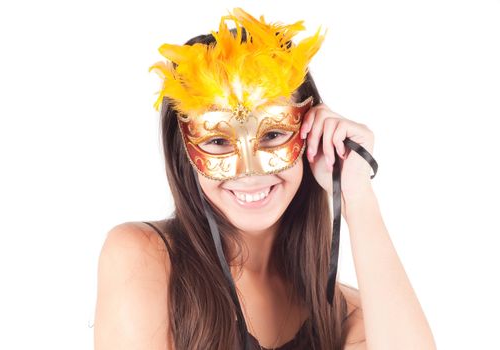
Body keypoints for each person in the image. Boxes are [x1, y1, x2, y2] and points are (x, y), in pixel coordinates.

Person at [93, 8, 436, 350]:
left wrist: (356, 193)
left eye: (272, 135)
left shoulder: (349, 314)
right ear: (185, 152)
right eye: (217, 141)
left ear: (307, 135)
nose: (250, 170)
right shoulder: (142, 257)